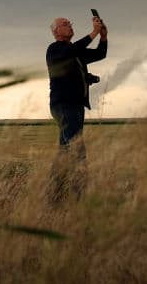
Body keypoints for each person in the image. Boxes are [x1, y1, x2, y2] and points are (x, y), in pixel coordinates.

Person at [46, 14, 108, 202]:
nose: (70, 26)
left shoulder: (75, 52)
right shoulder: (55, 49)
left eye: (70, 23)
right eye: (65, 24)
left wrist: (103, 37)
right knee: (77, 149)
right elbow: (72, 51)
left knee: (65, 151)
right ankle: (78, 197)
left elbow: (100, 54)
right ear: (56, 31)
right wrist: (94, 32)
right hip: (64, 105)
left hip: (75, 105)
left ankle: (54, 195)